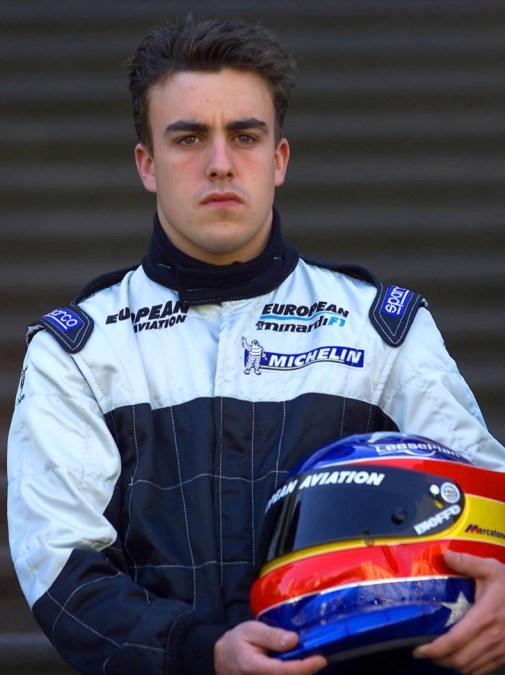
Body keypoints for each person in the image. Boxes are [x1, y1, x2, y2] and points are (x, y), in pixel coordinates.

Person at [7, 15, 505, 675]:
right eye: (188, 138)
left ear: (278, 159)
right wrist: (202, 652)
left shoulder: (382, 329)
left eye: (244, 136)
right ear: (147, 164)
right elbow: (59, 565)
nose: (220, 163)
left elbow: (485, 510)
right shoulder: (77, 352)